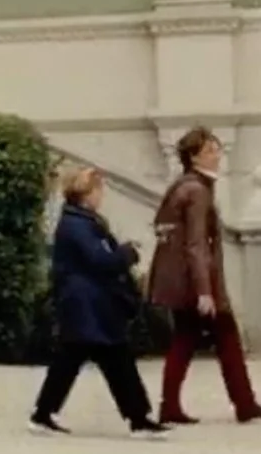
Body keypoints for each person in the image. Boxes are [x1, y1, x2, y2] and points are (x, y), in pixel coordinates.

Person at [148, 126, 261, 426]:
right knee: (225, 337)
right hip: (196, 282)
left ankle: (173, 406)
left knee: (186, 340)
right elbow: (196, 244)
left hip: (185, 280)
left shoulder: (185, 186)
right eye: (209, 151)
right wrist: (205, 291)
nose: (217, 155)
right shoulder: (197, 191)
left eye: (216, 149)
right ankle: (244, 404)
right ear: (194, 157)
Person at [30, 166, 165, 437]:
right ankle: (137, 418)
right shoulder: (79, 225)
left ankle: (44, 413)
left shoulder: (79, 222)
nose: (101, 196)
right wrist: (127, 253)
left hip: (88, 305)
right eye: (98, 190)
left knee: (84, 360)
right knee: (109, 359)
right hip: (89, 305)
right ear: (86, 193)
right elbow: (101, 260)